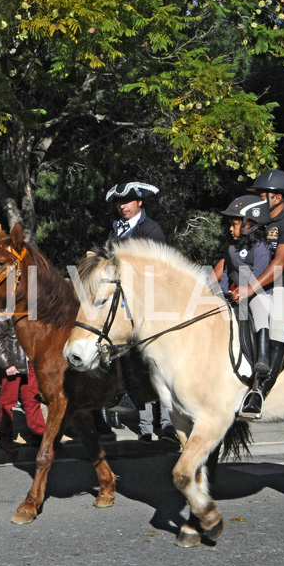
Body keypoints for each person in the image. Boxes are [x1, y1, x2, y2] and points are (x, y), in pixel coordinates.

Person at [232, 170, 284, 419]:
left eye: (261, 194)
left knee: (277, 323)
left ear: (277, 198)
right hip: (261, 289)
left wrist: (249, 288)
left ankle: (259, 394)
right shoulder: (258, 224)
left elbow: (280, 263)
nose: (257, 200)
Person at [104, 181, 173, 444]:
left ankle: (166, 424)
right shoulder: (115, 231)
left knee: (157, 363)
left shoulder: (151, 230)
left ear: (140, 202)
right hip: (124, 306)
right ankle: (144, 425)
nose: (123, 206)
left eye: (128, 201)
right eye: (120, 203)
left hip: (152, 304)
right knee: (129, 363)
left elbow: (156, 269)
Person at [213, 194, 273, 383]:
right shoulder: (232, 248)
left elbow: (258, 274)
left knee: (260, 308)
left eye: (235, 224)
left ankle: (263, 357)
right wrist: (222, 292)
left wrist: (246, 291)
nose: (231, 228)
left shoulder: (262, 247)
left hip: (259, 294)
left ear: (250, 224)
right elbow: (228, 271)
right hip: (238, 293)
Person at [0, 316, 46, 453]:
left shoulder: (31, 305)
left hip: (31, 362)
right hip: (13, 362)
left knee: (33, 399)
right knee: (8, 401)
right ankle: (6, 438)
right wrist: (7, 364)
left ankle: (40, 436)